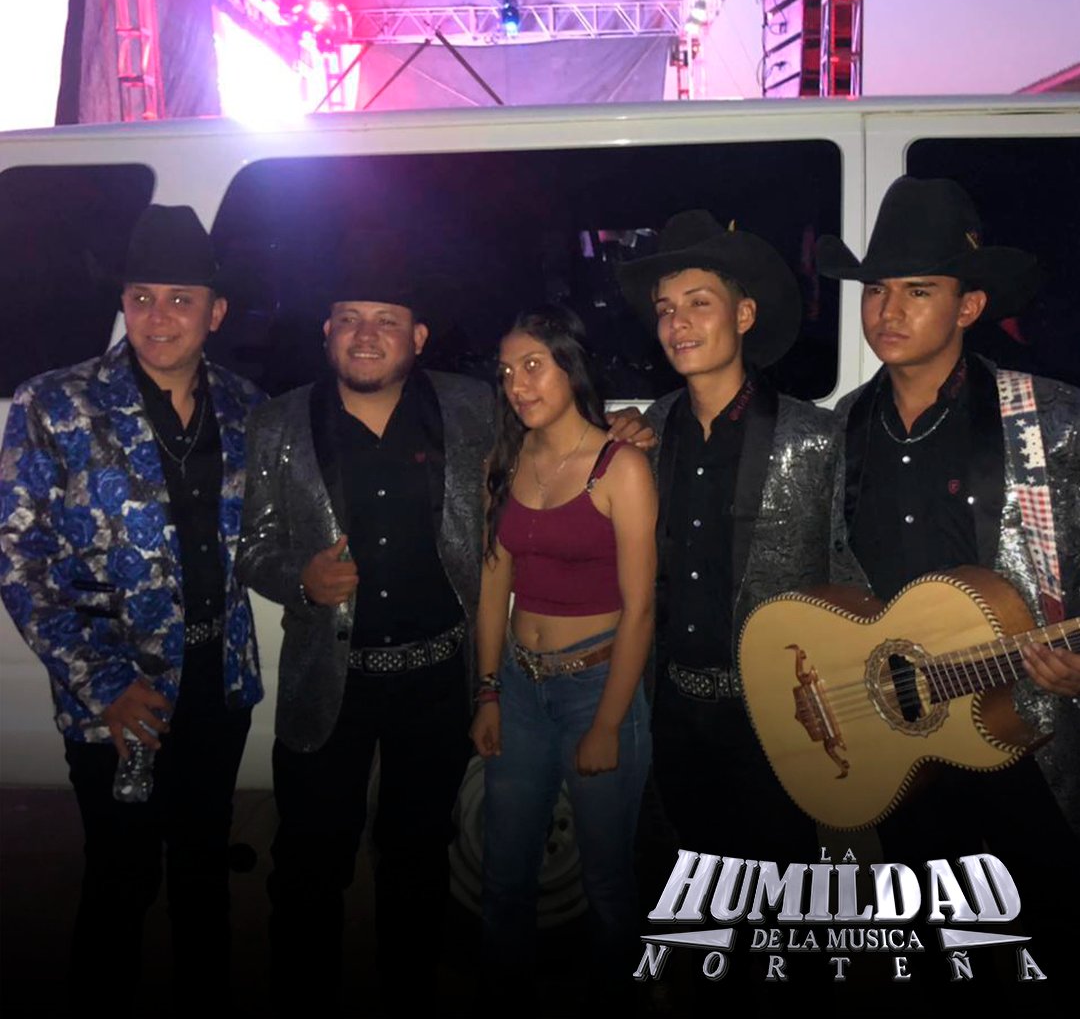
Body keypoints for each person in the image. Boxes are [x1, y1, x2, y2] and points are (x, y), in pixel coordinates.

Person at [236, 255, 654, 1017]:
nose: (367, 334)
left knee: (418, 857)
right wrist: (300, 576)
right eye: (350, 319)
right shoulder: (277, 423)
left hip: (437, 680)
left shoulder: (471, 407)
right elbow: (253, 547)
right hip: (329, 681)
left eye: (387, 320)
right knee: (308, 862)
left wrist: (631, 421)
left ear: (418, 336)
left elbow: (563, 421)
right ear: (327, 331)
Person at [818, 175, 1080, 1013]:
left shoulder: (1049, 419)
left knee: (1046, 945)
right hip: (907, 742)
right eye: (877, 289)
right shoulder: (842, 430)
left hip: (1027, 730)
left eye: (918, 290)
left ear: (969, 306)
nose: (887, 310)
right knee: (932, 954)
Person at [0, 204, 265, 1014]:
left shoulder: (248, 408)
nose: (158, 317)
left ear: (215, 313)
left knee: (202, 875)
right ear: (122, 302)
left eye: (180, 299)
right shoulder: (56, 404)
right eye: (142, 296)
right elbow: (18, 555)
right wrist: (104, 683)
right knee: (121, 879)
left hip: (218, 686)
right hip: (119, 696)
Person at [615, 210, 835, 1002]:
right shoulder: (642, 437)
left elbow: (846, 577)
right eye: (665, 309)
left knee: (784, 915)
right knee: (687, 905)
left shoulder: (815, 438)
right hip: (672, 709)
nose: (677, 323)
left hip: (774, 718)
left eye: (698, 303)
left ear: (743, 315)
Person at [470, 303, 657, 1014]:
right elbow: (494, 589)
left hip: (597, 684)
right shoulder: (504, 460)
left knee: (607, 882)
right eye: (506, 372)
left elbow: (640, 609)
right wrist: (489, 691)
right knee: (504, 873)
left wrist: (607, 724)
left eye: (532, 366)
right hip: (521, 687)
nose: (517, 385)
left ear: (570, 367)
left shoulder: (620, 467)